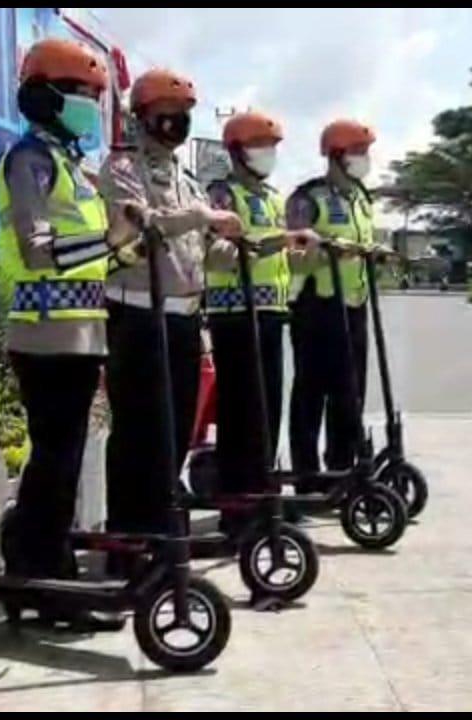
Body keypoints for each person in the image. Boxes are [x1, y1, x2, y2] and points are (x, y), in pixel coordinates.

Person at [0, 38, 120, 629]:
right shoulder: (29, 161)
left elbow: (96, 257)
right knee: (55, 458)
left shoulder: (72, 168)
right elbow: (36, 248)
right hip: (45, 336)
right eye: (81, 95)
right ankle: (45, 576)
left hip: (80, 336)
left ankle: (38, 560)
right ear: (44, 97)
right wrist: (111, 241)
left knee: (62, 461)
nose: (91, 107)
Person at [99, 68, 243, 539]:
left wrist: (239, 246)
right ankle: (129, 534)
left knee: (179, 428)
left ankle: (161, 521)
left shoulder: (188, 179)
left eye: (184, 115)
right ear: (143, 116)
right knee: (140, 431)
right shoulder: (122, 169)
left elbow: (200, 249)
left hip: (183, 318)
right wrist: (200, 217)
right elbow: (143, 223)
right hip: (138, 314)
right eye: (168, 114)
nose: (177, 123)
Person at [203, 111, 316, 529]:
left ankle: (262, 493)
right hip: (234, 313)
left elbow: (277, 254)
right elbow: (217, 254)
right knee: (241, 413)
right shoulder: (222, 195)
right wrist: (271, 245)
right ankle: (237, 508)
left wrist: (298, 253)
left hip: (270, 313)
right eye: (259, 146)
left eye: (272, 146)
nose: (268, 155)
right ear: (236, 151)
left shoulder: (270, 198)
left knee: (268, 409)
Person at [287, 119, 378, 482]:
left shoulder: (362, 199)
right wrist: (326, 254)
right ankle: (306, 476)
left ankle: (343, 470)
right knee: (312, 393)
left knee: (351, 391)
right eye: (358, 152)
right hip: (317, 307)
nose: (364, 159)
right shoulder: (309, 198)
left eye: (366, 152)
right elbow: (291, 252)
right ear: (337, 156)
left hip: (355, 305)